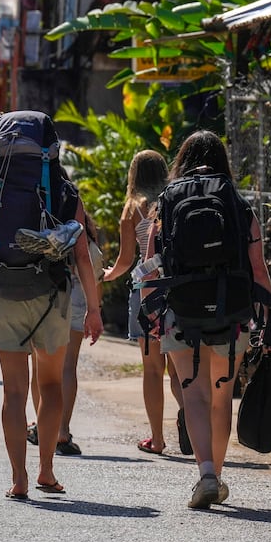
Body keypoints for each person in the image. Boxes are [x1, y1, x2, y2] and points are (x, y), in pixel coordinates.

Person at [0, 113, 103, 499]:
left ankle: (18, 479)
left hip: (3, 293)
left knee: (13, 392)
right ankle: (46, 471)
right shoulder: (65, 190)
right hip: (51, 294)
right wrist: (93, 308)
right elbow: (82, 257)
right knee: (51, 383)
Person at [143, 130, 271, 509]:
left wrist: (151, 312)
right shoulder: (237, 203)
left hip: (181, 311)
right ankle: (215, 477)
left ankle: (204, 473)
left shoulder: (167, 201)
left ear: (181, 160)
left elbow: (152, 264)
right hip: (230, 311)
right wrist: (270, 317)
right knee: (221, 397)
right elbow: (257, 268)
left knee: (194, 394)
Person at [102, 149, 185, 455]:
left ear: (134, 175)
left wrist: (106, 275)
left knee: (152, 370)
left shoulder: (133, 208)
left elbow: (126, 261)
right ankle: (192, 418)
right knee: (179, 369)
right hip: (177, 290)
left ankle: (158, 439)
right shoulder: (172, 199)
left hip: (147, 290)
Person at [28, 211, 103, 456]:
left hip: (48, 300)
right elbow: (96, 274)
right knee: (68, 367)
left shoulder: (42, 229)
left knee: (40, 367)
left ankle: (42, 424)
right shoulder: (85, 239)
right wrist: (95, 310)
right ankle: (62, 430)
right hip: (79, 304)